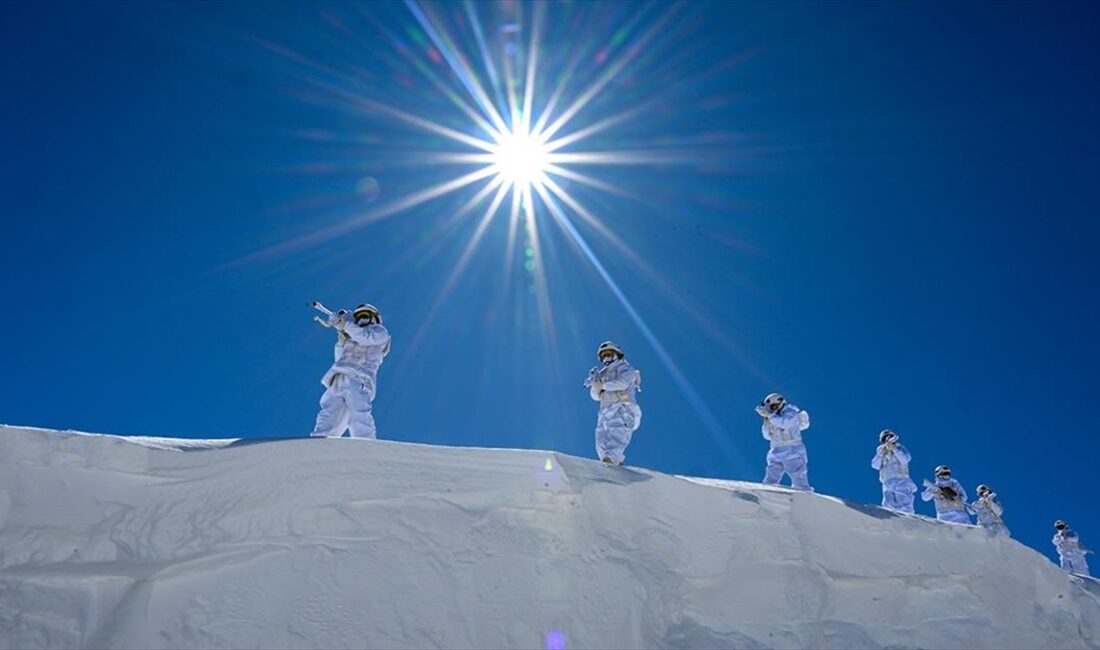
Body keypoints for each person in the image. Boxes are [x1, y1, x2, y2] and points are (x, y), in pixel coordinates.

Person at [310, 303, 391, 439]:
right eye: (358, 317)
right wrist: (341, 342)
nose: (361, 320)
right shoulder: (352, 335)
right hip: (339, 378)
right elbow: (340, 360)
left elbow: (365, 338)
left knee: (358, 413)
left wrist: (345, 325)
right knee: (329, 413)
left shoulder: (380, 332)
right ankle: (320, 443)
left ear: (374, 318)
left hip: (359, 378)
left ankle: (366, 446)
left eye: (365, 315)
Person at [584, 341, 641, 465]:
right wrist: (595, 386)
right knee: (600, 439)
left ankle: (612, 461)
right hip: (605, 411)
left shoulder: (625, 368)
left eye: (609, 354)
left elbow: (623, 383)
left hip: (623, 408)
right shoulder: (603, 373)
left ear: (617, 354)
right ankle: (613, 463)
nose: (606, 358)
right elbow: (596, 396)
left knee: (617, 435)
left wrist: (603, 384)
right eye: (603, 356)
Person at [756, 392, 812, 491]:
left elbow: (785, 424)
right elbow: (767, 436)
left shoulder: (790, 412)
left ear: (780, 403)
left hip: (792, 450)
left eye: (774, 406)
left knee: (798, 477)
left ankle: (803, 495)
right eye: (771, 408)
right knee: (771, 476)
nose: (773, 409)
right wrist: (766, 420)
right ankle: (767, 492)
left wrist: (770, 416)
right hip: (776, 450)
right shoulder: (773, 417)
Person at [871, 429, 917, 514]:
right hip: (887, 481)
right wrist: (880, 454)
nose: (888, 439)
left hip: (901, 480)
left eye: (890, 437)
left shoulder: (900, 448)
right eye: (885, 438)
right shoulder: (881, 451)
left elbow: (905, 459)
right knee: (888, 504)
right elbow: (875, 465)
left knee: (904, 503)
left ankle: (908, 521)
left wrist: (894, 449)